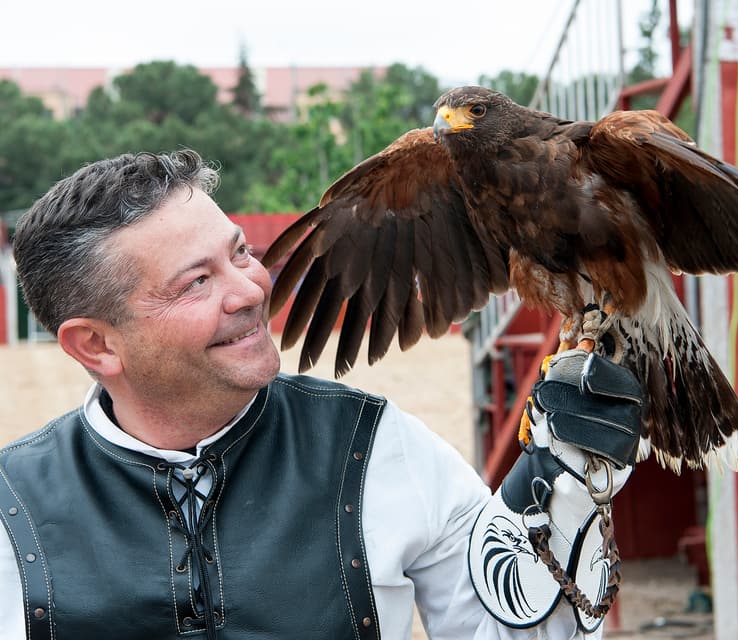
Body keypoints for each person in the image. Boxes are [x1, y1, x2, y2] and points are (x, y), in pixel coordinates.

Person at [0, 150, 645, 639]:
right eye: (197, 281)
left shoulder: (379, 448)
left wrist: (560, 503)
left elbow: (506, 629)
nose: (252, 290)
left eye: (240, 253)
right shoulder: (12, 511)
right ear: (95, 346)